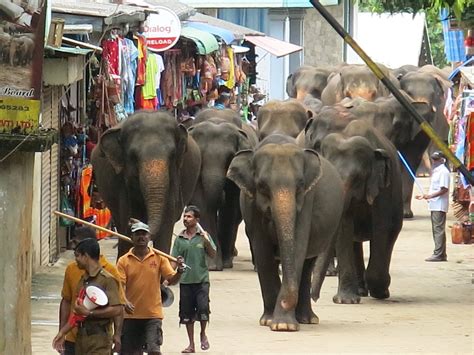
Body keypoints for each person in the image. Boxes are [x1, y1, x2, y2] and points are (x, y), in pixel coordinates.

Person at [117, 221, 185, 355]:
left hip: (153, 315)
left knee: (154, 350)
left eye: (144, 234)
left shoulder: (159, 258)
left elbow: (171, 279)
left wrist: (179, 271)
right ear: (132, 237)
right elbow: (119, 285)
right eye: (137, 234)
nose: (141, 237)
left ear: (149, 237)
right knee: (131, 352)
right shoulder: (124, 261)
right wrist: (124, 300)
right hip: (131, 316)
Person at [55, 227, 125, 355]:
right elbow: (76, 313)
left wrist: (90, 313)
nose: (75, 259)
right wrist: (62, 332)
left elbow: (117, 309)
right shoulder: (83, 279)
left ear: (86, 256)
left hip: (100, 339)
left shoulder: (108, 278)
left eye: (77, 256)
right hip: (81, 337)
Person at [171, 206, 217, 354]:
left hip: (201, 280)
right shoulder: (179, 239)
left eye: (189, 217)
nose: (185, 219)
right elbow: (172, 261)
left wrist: (207, 241)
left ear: (197, 220)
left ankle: (203, 334)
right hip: (185, 281)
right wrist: (174, 268)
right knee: (186, 314)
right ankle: (191, 344)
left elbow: (213, 254)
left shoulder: (203, 236)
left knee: (203, 309)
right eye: (185, 217)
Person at [416, 151, 451, 262]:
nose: (434, 161)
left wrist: (430, 196)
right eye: (433, 159)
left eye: (436, 159)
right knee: (437, 229)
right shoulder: (436, 172)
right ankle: (441, 253)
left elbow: (444, 189)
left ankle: (438, 254)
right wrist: (425, 196)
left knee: (438, 229)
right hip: (434, 204)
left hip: (439, 205)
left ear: (442, 160)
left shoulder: (444, 172)